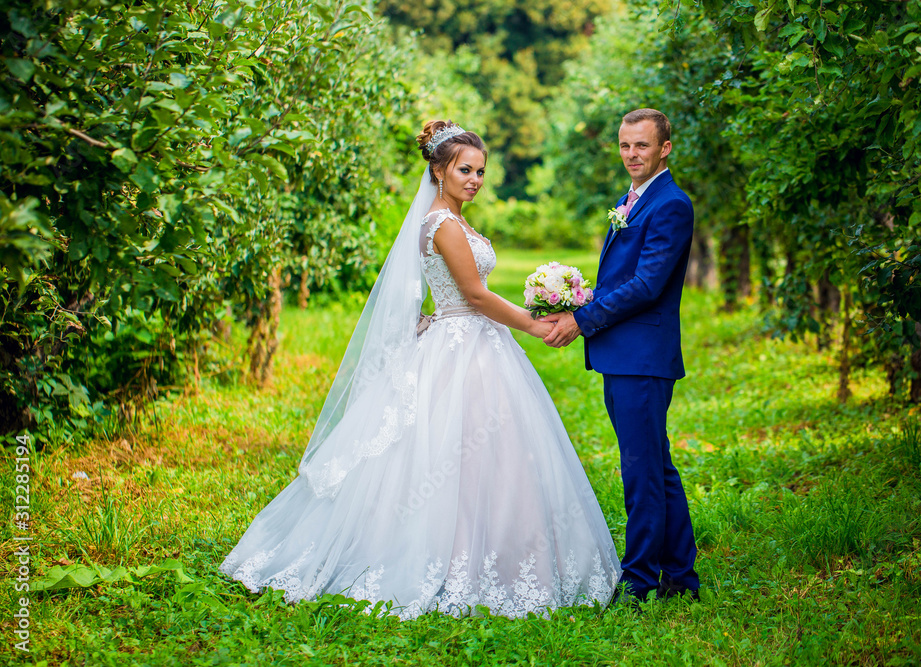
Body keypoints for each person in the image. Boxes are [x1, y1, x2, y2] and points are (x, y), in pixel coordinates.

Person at [220, 120, 621, 619]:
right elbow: (473, 295)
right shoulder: (443, 225)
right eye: (464, 170)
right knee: (451, 451)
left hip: (473, 341)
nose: (474, 179)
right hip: (462, 345)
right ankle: (443, 555)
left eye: (480, 171)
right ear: (438, 170)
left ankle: (497, 547)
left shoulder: (457, 221)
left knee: (489, 455)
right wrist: (534, 325)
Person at [542, 108, 700, 605]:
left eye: (642, 146)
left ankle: (638, 583)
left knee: (641, 471)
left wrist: (581, 321)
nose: (632, 155)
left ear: (665, 148)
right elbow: (624, 274)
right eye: (625, 145)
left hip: (642, 356)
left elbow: (649, 285)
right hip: (626, 355)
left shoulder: (671, 204)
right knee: (654, 466)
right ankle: (680, 577)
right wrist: (579, 296)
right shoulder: (632, 198)